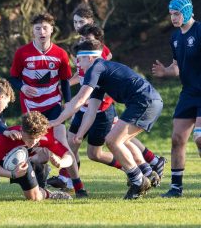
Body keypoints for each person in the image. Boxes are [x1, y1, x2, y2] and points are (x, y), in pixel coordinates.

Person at [48, 23, 165, 190]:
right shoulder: (100, 74)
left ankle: (139, 179)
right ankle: (143, 175)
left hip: (144, 102)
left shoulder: (96, 68)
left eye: (79, 59)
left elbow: (80, 99)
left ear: (89, 57)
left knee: (112, 141)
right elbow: (91, 109)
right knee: (117, 142)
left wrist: (57, 120)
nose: (77, 64)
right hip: (146, 102)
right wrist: (80, 134)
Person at [9, 13, 87, 194]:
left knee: (63, 145)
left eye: (45, 28)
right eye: (38, 28)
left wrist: (68, 103)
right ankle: (39, 184)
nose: (42, 31)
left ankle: (79, 187)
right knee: (36, 146)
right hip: (31, 108)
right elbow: (13, 77)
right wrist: (22, 88)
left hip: (53, 105)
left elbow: (66, 81)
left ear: (52, 30)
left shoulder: (60, 54)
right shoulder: (22, 53)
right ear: (33, 31)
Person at [0, 111, 84, 201]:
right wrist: (12, 174)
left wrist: (61, 163)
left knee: (34, 198)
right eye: (29, 138)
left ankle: (50, 194)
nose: (32, 142)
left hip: (21, 161)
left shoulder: (45, 138)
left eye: (35, 139)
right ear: (22, 130)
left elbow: (69, 156)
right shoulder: (8, 138)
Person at [152, 0, 200, 198]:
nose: (173, 18)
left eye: (177, 13)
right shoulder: (174, 37)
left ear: (187, 12)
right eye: (171, 14)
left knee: (200, 138)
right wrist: (166, 72)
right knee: (177, 138)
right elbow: (177, 67)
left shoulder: (200, 31)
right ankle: (176, 188)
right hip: (188, 93)